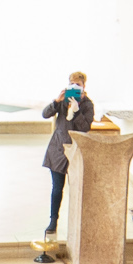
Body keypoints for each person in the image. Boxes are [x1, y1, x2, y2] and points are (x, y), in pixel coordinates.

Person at [39, 72, 96, 239]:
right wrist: (56, 102)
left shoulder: (88, 105)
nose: (74, 87)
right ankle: (53, 221)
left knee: (79, 189)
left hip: (77, 150)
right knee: (57, 188)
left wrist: (77, 112)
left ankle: (79, 222)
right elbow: (45, 114)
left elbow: (85, 127)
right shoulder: (62, 101)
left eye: (77, 84)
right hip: (58, 148)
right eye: (71, 84)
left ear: (84, 86)